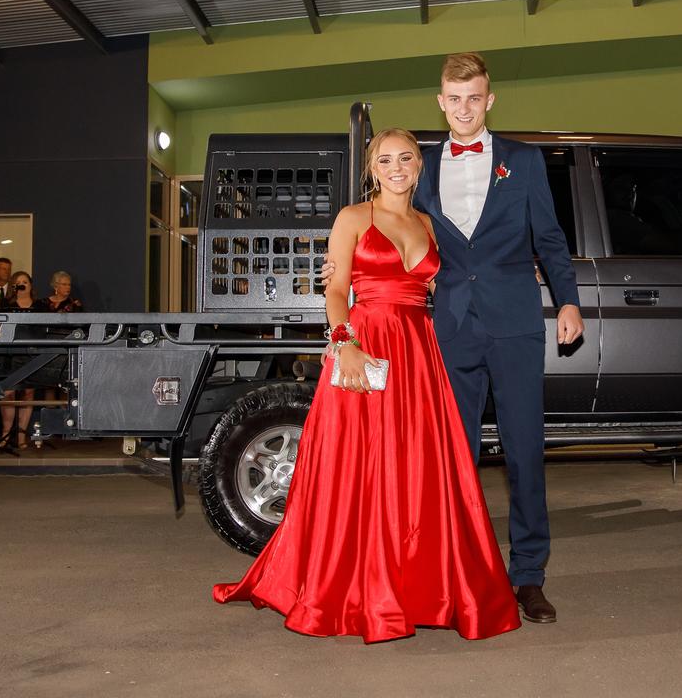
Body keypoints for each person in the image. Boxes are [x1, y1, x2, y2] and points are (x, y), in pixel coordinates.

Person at [213, 128, 521, 643]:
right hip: (365, 342)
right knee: (356, 466)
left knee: (416, 469)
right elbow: (335, 288)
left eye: (405, 159)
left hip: (419, 352)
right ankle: (356, 587)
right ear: (371, 168)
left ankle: (419, 587)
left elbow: (462, 280)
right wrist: (343, 340)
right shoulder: (353, 218)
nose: (395, 167)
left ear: (419, 167)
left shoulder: (431, 223)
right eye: (385, 160)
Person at [322, 53, 583, 624]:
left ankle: (529, 576)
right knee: (447, 459)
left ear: (489, 100)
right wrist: (345, 282)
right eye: (453, 98)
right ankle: (457, 570)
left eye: (474, 98)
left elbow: (551, 237)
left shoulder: (525, 160)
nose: (463, 108)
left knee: (524, 453)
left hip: (514, 323)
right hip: (444, 331)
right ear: (440, 102)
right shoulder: (421, 165)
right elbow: (388, 230)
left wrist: (567, 299)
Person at [0, 271, 41, 450]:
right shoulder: (5, 305)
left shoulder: (39, 306)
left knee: (28, 393)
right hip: (9, 353)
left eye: (25, 282)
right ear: (13, 286)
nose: (22, 285)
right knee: (8, 392)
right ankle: (6, 433)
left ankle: (22, 435)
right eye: (18, 282)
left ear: (30, 285)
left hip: (31, 353)